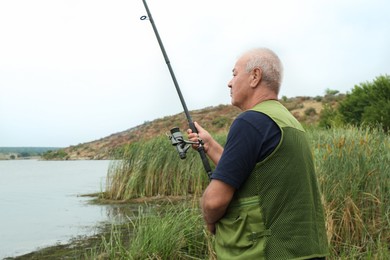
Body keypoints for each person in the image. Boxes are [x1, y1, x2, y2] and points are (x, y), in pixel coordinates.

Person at [187, 48, 329, 259]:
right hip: (306, 252)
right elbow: (256, 174)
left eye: (234, 74)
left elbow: (214, 202)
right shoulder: (290, 122)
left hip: (270, 252)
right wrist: (210, 146)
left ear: (255, 76)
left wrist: (210, 220)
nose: (229, 82)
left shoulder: (250, 121)